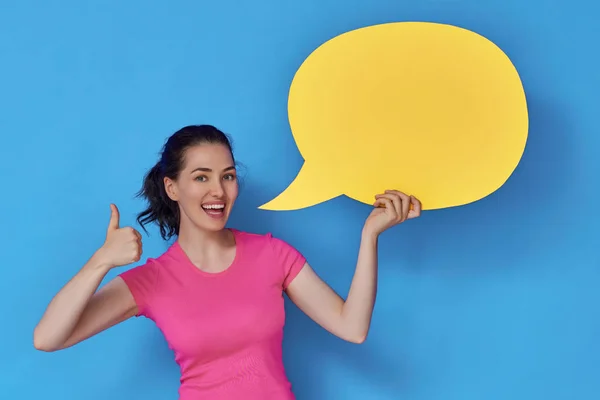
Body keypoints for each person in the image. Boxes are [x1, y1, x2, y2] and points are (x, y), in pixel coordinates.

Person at [33, 124, 422, 399]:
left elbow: (352, 327)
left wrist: (369, 235)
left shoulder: (272, 254)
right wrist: (100, 261)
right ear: (172, 187)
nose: (218, 190)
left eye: (228, 176)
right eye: (201, 177)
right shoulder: (152, 282)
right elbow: (48, 338)